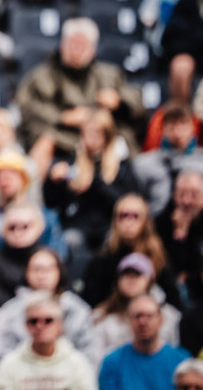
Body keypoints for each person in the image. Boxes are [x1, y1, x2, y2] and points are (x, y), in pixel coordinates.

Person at [16, 17, 144, 180]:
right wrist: (62, 117)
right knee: (44, 140)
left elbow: (138, 101)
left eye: (82, 45)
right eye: (72, 43)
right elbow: (27, 106)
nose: (76, 49)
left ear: (93, 50)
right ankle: (30, 197)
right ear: (62, 46)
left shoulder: (109, 75)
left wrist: (119, 100)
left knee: (123, 142)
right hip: (64, 137)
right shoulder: (42, 76)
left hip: (105, 136)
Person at [43, 109, 141, 259]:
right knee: (70, 239)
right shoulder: (73, 163)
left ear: (107, 136)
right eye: (86, 134)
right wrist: (53, 182)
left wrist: (96, 182)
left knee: (114, 241)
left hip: (110, 225)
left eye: (96, 134)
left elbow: (127, 202)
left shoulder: (122, 166)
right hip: (79, 226)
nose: (91, 139)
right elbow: (52, 201)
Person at [0, 291, 99, 390]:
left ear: (60, 326)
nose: (40, 326)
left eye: (48, 320)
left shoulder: (78, 364)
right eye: (33, 321)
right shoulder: (9, 364)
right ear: (26, 326)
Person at [0, 247, 94, 370]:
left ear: (59, 272)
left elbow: (89, 353)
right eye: (36, 269)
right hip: (23, 380)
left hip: (68, 378)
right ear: (27, 273)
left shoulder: (78, 309)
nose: (41, 275)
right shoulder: (10, 311)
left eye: (48, 269)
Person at [0, 151, 65, 280]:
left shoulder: (47, 217)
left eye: (12, 174)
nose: (5, 180)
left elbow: (59, 254)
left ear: (23, 178)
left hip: (40, 278)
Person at [80, 193, 180, 310]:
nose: (128, 221)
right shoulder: (102, 260)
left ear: (145, 221)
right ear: (115, 221)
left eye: (135, 216)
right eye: (123, 215)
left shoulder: (158, 258)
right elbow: (91, 303)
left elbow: (172, 300)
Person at [99, 293, 191, 390]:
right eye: (137, 316)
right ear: (129, 321)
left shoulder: (182, 360)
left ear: (161, 319)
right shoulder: (112, 362)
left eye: (149, 316)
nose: (143, 322)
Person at [88, 252, 182, 367]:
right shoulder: (100, 316)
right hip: (115, 375)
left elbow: (173, 355)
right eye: (126, 274)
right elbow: (94, 358)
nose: (131, 279)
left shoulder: (169, 316)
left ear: (149, 279)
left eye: (137, 274)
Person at [133, 102, 203, 216]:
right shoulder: (144, 164)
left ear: (192, 127)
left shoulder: (200, 161)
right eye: (172, 126)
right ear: (163, 128)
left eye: (183, 125)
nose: (178, 132)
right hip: (156, 224)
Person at [155, 169, 203, 305]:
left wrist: (189, 277)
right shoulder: (162, 221)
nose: (186, 201)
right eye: (181, 194)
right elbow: (166, 268)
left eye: (194, 195)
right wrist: (180, 233)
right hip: (169, 290)